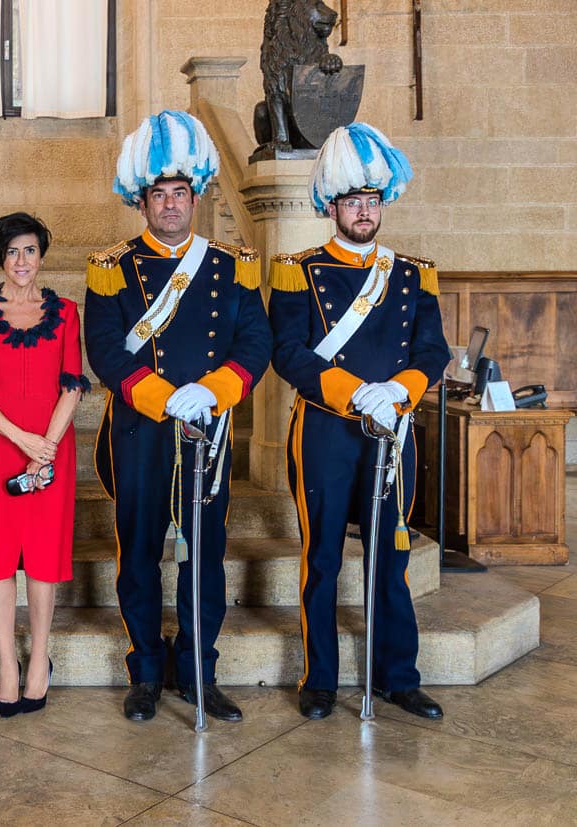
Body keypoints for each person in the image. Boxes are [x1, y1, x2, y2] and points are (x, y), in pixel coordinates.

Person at [85, 110, 272, 724]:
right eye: (158, 195)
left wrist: (215, 391)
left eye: (179, 193)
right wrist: (164, 397)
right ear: (141, 202)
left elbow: (256, 341)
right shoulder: (111, 267)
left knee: (204, 555)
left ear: (196, 197)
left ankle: (197, 670)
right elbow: (106, 350)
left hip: (208, 432)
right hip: (140, 431)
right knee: (137, 554)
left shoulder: (230, 264)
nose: (170, 205)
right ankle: (144, 671)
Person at [268, 122, 449, 721]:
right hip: (324, 429)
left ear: (383, 202)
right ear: (332, 205)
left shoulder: (414, 274)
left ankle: (397, 676)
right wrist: (353, 393)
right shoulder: (297, 270)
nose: (363, 211)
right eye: (352, 201)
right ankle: (319, 679)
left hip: (392, 430)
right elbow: (287, 351)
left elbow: (433, 352)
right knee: (321, 558)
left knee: (389, 559)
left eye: (371, 201)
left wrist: (397, 390)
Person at [0, 212, 88, 717]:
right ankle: (8, 663)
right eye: (12, 251)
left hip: (52, 447)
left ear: (42, 254)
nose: (21, 260)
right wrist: (21, 439)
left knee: (42, 554)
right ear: (0, 257)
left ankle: (39, 661)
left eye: (29, 250)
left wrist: (46, 446)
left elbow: (72, 383)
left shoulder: (67, 312)